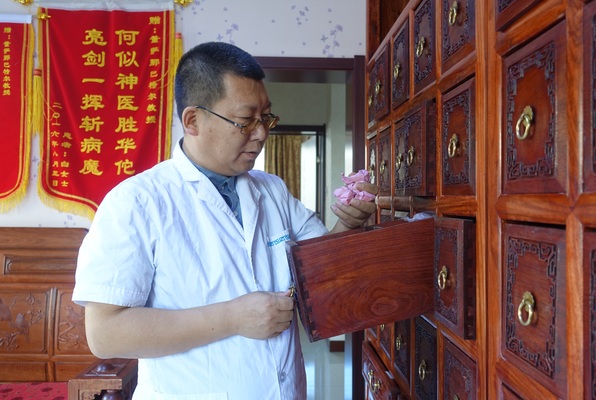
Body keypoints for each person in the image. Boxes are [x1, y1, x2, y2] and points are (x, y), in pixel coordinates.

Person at [73, 41, 378, 400]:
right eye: (246, 121)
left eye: (266, 118)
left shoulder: (272, 190)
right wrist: (233, 317)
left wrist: (349, 222)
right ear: (193, 121)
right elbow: (105, 334)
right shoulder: (137, 202)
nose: (261, 133)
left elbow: (322, 266)